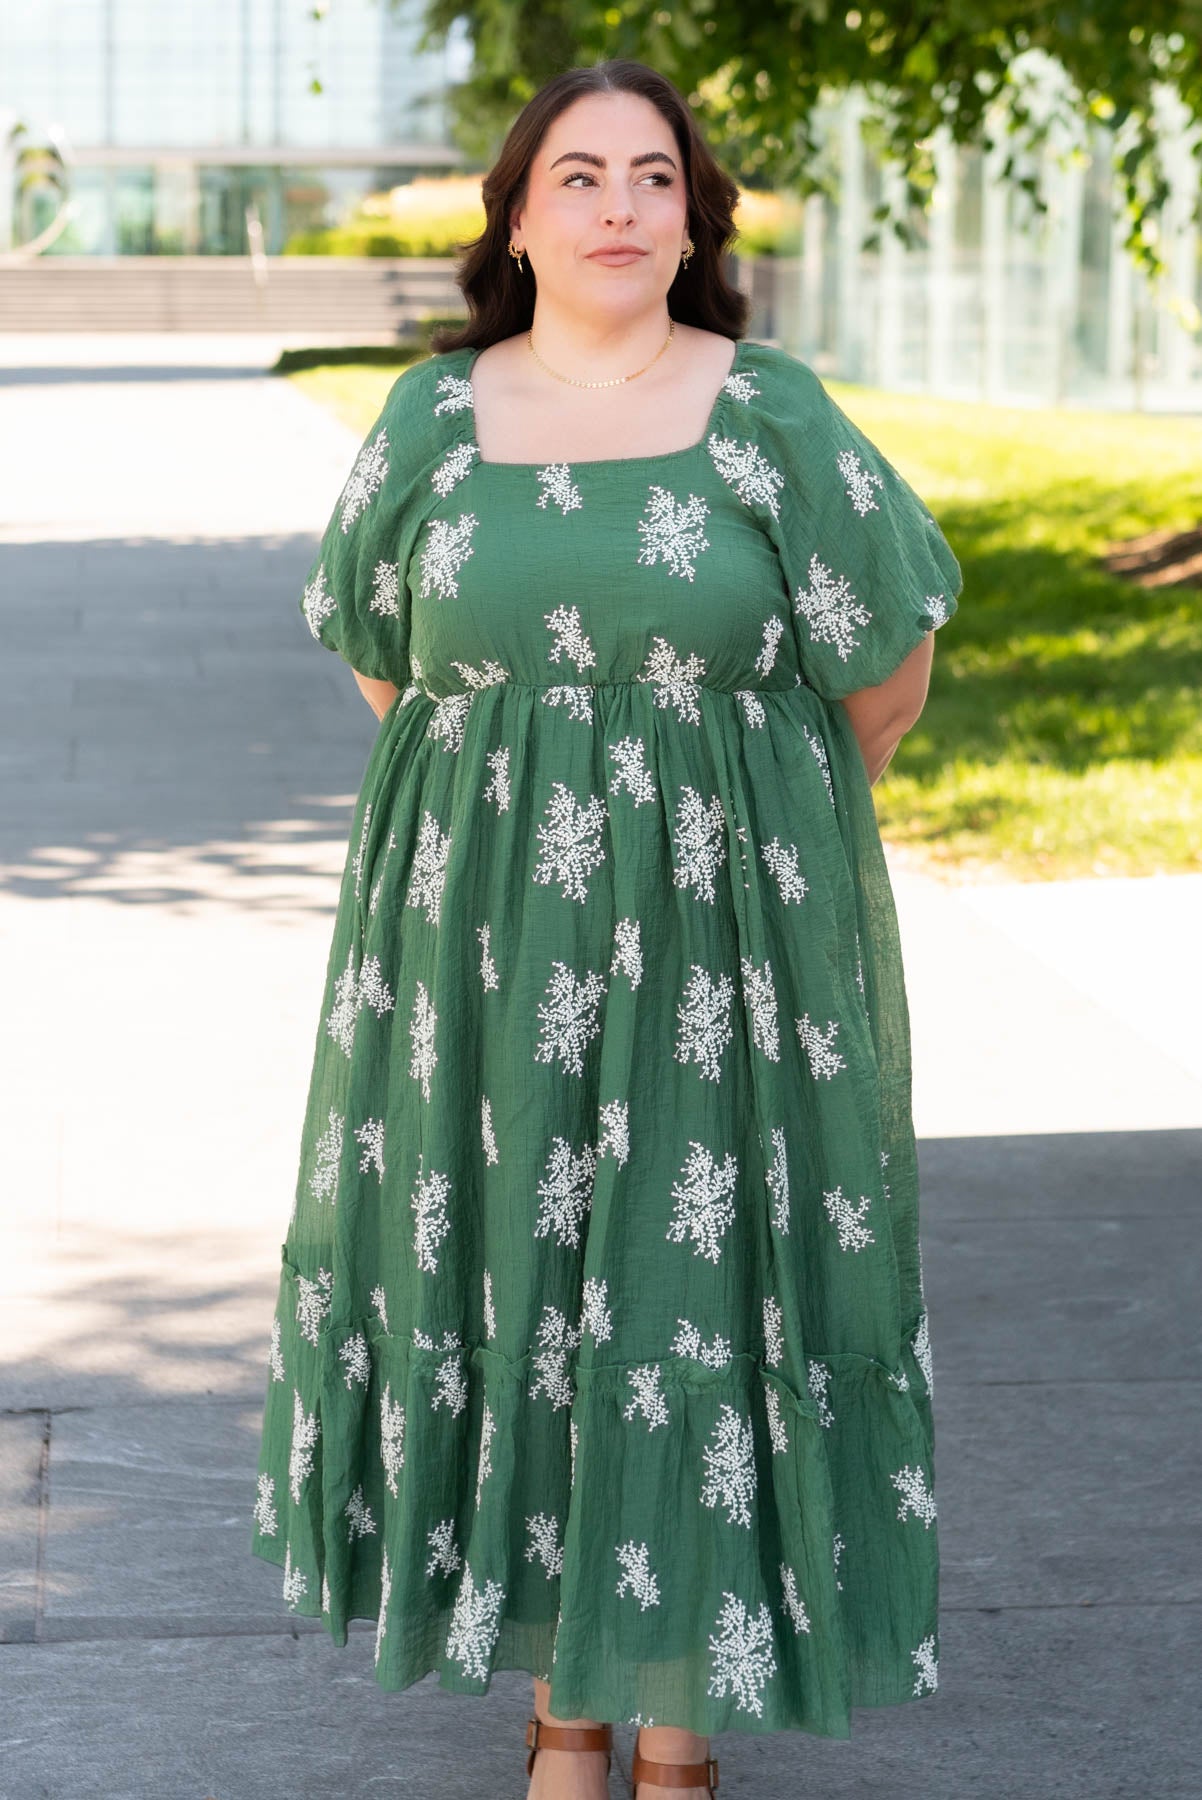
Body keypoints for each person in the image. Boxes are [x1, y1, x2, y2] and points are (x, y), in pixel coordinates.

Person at [249, 56, 961, 1800]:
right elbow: (385, 657)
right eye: (580, 175)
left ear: (694, 217)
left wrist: (721, 818)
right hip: (485, 949)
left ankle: (672, 1728)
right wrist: (524, 814)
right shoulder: (428, 420)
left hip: (725, 946)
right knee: (515, 1273)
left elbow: (884, 671)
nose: (622, 205)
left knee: (687, 1281)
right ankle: (562, 1702)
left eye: (656, 176)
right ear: (517, 213)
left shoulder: (770, 409)